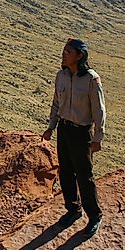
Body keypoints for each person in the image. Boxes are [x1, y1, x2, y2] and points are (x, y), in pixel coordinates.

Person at [41, 38, 106, 238]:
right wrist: (51, 127)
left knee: (84, 175)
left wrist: (98, 137)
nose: (64, 54)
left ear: (79, 56)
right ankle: (73, 209)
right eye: (64, 51)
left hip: (81, 132)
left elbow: (99, 110)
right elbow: (55, 104)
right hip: (64, 129)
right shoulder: (60, 76)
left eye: (68, 52)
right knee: (66, 172)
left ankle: (94, 216)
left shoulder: (91, 79)